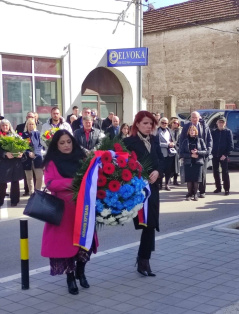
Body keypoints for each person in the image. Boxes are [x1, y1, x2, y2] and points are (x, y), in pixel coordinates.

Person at [41, 129, 97, 295]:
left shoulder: (82, 157)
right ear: (56, 145)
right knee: (66, 248)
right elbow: (51, 183)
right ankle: (70, 278)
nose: (66, 145)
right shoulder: (51, 162)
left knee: (84, 244)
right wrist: (74, 182)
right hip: (64, 212)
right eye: (62, 143)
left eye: (68, 141)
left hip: (84, 209)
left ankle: (81, 272)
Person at [123, 111, 164, 277]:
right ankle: (143, 260)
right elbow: (123, 165)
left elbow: (162, 160)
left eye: (151, 124)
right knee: (147, 224)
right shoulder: (128, 142)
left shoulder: (154, 140)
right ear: (137, 124)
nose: (148, 127)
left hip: (152, 188)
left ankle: (143, 260)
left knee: (151, 224)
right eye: (145, 123)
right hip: (138, 190)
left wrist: (158, 172)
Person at [180, 111, 213, 198]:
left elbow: (209, 139)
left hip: (202, 153)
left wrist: (208, 150)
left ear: (199, 118)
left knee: (202, 173)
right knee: (191, 174)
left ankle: (202, 191)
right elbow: (182, 139)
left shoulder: (204, 126)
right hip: (189, 155)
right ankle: (192, 192)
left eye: (196, 117)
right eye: (192, 117)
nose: (194, 119)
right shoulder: (186, 126)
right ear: (190, 118)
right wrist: (183, 154)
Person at [0, 119, 24, 207]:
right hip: (3, 163)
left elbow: (22, 147)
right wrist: (5, 153)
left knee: (15, 182)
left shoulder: (15, 136)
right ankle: (0, 200)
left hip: (15, 163)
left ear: (9, 126)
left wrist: (21, 153)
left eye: (6, 125)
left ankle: (14, 200)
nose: (5, 127)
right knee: (2, 184)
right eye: (3, 125)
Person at [180, 125, 207, 201]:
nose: (192, 132)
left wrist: (197, 152)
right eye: (191, 130)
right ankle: (189, 193)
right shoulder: (185, 141)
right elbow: (181, 153)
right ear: (188, 132)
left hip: (198, 163)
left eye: (193, 130)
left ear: (196, 132)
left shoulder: (200, 140)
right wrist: (190, 155)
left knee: (196, 179)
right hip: (188, 163)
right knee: (189, 179)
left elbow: (205, 151)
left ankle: (195, 193)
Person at [211, 116, 234, 196]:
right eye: (219, 122)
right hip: (215, 155)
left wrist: (225, 154)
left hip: (223, 155)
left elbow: (231, 146)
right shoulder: (213, 132)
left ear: (225, 123)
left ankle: (226, 189)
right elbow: (211, 143)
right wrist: (212, 152)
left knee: (225, 172)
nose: (221, 124)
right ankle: (218, 187)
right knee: (215, 172)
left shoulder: (228, 132)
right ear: (217, 123)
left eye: (222, 122)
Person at [22, 119, 43, 195]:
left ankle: (38, 193)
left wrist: (35, 153)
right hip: (27, 159)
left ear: (35, 125)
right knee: (29, 178)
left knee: (39, 177)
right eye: (29, 124)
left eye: (32, 124)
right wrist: (28, 153)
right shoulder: (24, 134)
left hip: (37, 158)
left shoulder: (37, 133)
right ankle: (32, 193)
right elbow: (23, 146)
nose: (31, 126)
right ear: (27, 125)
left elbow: (40, 145)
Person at [157, 117, 175, 191]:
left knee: (168, 170)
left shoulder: (169, 131)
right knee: (161, 170)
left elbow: (173, 140)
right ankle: (160, 184)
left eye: (166, 123)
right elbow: (157, 143)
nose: (164, 124)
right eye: (162, 123)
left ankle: (167, 184)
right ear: (160, 123)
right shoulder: (157, 131)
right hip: (161, 153)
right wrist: (167, 145)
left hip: (169, 153)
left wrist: (173, 143)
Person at [169, 117, 182, 185]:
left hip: (176, 149)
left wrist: (175, 144)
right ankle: (168, 179)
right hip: (169, 148)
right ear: (171, 123)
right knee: (169, 165)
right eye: (174, 123)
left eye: (177, 123)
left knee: (176, 165)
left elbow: (180, 140)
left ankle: (175, 180)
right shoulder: (168, 130)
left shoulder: (179, 131)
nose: (176, 124)